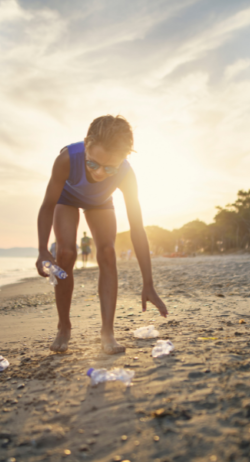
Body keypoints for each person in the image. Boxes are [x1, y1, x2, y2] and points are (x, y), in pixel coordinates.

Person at [36, 115, 168, 354]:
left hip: (99, 202)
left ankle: (107, 331)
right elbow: (47, 205)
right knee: (66, 253)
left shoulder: (126, 175)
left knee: (107, 252)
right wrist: (43, 249)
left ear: (124, 159)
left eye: (110, 168)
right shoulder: (67, 159)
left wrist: (148, 282)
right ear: (86, 145)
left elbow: (138, 228)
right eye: (93, 164)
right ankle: (64, 326)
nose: (99, 174)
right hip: (66, 199)